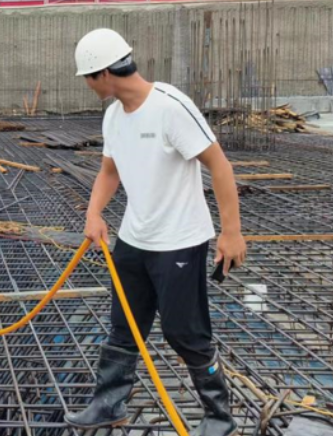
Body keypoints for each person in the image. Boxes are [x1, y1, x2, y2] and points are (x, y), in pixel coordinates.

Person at [64, 28, 247, 436]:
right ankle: (108, 403)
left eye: (87, 78)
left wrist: (230, 232)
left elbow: (219, 165)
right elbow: (109, 171)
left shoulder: (169, 107)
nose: (87, 85)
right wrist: (94, 214)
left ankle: (219, 416)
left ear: (103, 74)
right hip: (134, 240)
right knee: (123, 326)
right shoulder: (114, 115)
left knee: (185, 332)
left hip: (179, 241)